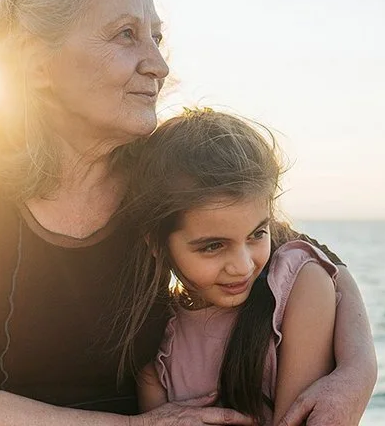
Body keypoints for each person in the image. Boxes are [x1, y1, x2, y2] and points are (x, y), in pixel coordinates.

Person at [0, 0, 376, 424]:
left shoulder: (156, 172)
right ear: (36, 63)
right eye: (125, 34)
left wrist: (357, 374)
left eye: (156, 38)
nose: (158, 65)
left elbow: (302, 254)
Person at [119, 109, 339, 426]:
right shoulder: (157, 345)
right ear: (157, 245)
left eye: (256, 235)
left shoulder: (299, 285)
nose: (242, 266)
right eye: (213, 246)